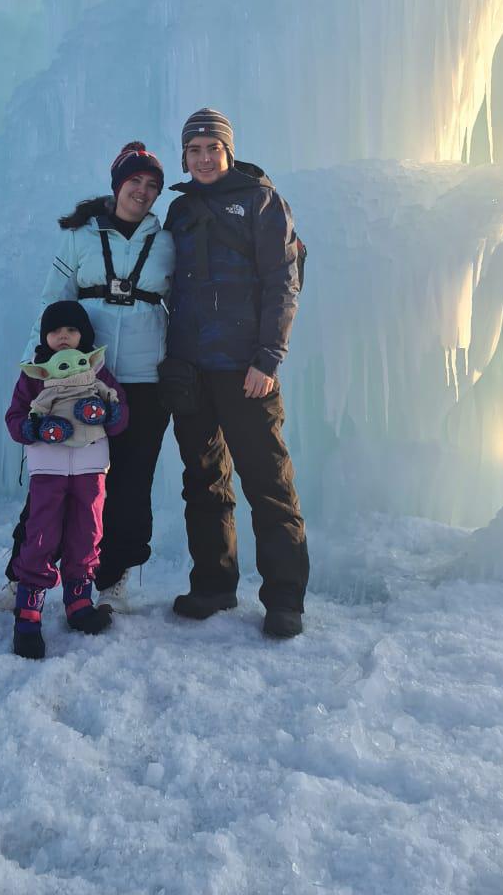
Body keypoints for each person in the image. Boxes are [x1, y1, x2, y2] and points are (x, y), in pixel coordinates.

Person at [162, 108, 309, 639]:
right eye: (194, 150)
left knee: (268, 483)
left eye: (212, 149)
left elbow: (281, 283)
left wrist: (268, 359)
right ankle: (214, 585)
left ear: (228, 151)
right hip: (190, 369)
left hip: (246, 370)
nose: (203, 158)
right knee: (203, 482)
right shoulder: (178, 211)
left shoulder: (261, 201)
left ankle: (285, 599)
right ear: (184, 156)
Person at [13, 142, 175, 605]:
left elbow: (183, 306)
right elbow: (52, 301)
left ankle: (111, 572)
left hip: (145, 381)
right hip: (79, 378)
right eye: (135, 181)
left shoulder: (166, 242)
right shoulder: (79, 236)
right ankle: (24, 574)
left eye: (151, 186)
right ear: (117, 184)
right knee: (56, 478)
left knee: (131, 480)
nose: (142, 192)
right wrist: (34, 369)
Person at [5, 301, 128, 658]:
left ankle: (79, 603)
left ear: (84, 335)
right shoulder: (36, 374)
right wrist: (30, 428)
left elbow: (120, 416)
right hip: (49, 467)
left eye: (71, 330)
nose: (63, 337)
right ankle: (28, 614)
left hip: (91, 466)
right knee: (41, 534)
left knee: (87, 531)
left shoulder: (97, 370)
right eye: (56, 331)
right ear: (44, 336)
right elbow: (15, 416)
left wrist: (111, 412)